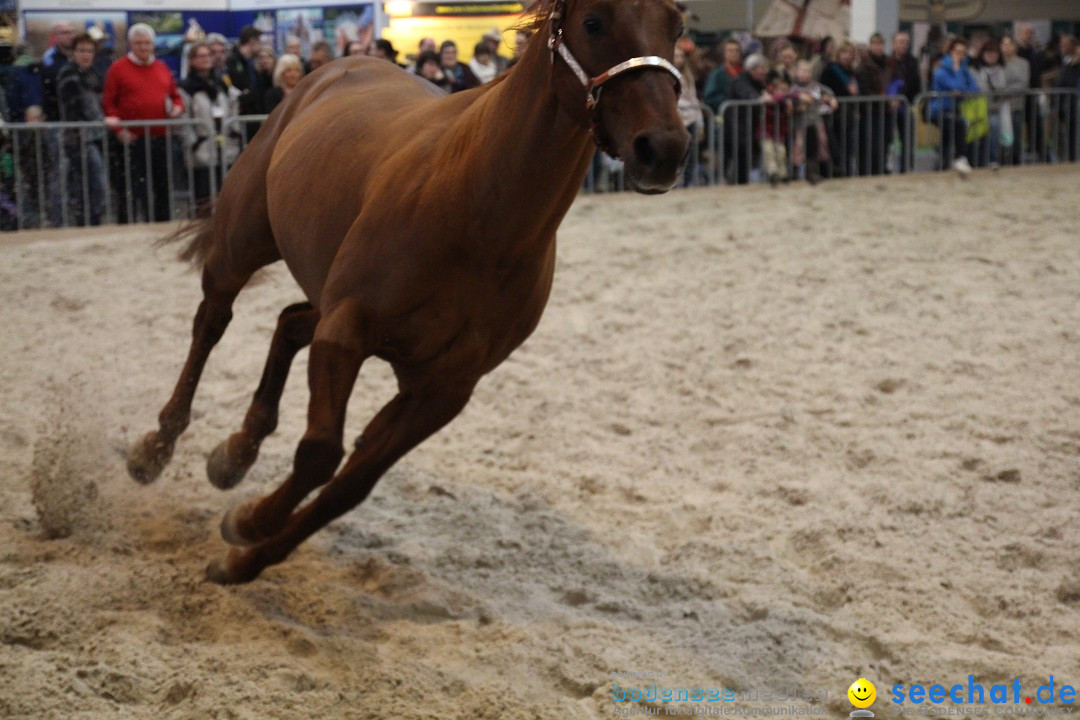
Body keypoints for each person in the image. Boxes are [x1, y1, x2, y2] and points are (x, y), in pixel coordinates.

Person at [103, 23, 185, 223]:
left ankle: (162, 224)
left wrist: (177, 107)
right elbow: (108, 103)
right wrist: (119, 130)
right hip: (131, 140)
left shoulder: (161, 67)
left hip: (161, 137)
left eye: (147, 43)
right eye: (139, 43)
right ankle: (128, 225)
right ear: (130, 44)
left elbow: (176, 96)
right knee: (133, 188)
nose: (143, 47)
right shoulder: (117, 69)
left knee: (163, 186)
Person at [180, 41, 238, 215]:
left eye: (208, 55)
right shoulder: (186, 88)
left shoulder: (221, 83)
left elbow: (234, 103)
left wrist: (234, 131)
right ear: (192, 60)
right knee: (204, 197)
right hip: (201, 150)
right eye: (201, 56)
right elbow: (183, 118)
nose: (206, 59)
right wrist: (192, 143)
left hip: (225, 149)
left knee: (227, 195)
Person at [56, 32, 107, 225]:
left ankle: (89, 222)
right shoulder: (69, 73)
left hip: (92, 136)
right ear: (73, 52)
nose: (86, 55)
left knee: (89, 185)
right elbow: (77, 105)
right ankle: (86, 223)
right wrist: (101, 119)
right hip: (77, 138)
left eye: (90, 51)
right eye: (82, 51)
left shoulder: (91, 74)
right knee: (92, 185)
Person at [929, 37, 979, 173]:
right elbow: (957, 86)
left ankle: (942, 165)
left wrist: (961, 90)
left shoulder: (965, 70)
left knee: (948, 136)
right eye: (957, 52)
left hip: (955, 109)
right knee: (958, 124)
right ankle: (960, 158)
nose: (960, 55)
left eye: (963, 52)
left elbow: (974, 89)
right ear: (951, 52)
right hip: (939, 110)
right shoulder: (941, 70)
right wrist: (957, 71)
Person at [791, 59, 837, 183]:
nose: (806, 74)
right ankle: (795, 173)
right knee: (799, 148)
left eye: (808, 71)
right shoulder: (794, 89)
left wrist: (831, 99)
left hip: (815, 122)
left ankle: (812, 173)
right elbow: (789, 99)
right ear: (797, 72)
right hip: (800, 123)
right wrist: (799, 105)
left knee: (818, 146)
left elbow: (827, 91)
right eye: (803, 71)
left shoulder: (815, 86)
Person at [820, 40, 860, 177]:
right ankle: (835, 173)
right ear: (838, 54)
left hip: (849, 115)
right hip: (834, 116)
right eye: (844, 52)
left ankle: (847, 173)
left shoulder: (852, 72)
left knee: (849, 147)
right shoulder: (830, 70)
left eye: (850, 53)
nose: (847, 56)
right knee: (835, 147)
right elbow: (821, 89)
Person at [728, 52, 769, 184]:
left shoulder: (759, 82)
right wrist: (759, 98)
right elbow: (748, 95)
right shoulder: (740, 80)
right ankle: (738, 182)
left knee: (748, 157)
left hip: (750, 127)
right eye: (761, 68)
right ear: (752, 69)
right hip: (738, 127)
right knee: (740, 157)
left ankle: (743, 181)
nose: (764, 71)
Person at [857, 33, 891, 175]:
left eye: (881, 44)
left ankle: (881, 169)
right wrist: (879, 96)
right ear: (871, 46)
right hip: (870, 111)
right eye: (876, 44)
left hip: (886, 110)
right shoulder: (864, 66)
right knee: (871, 144)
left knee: (885, 143)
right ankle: (868, 172)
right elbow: (864, 89)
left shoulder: (888, 63)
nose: (878, 47)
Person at [970, 39, 1006, 167]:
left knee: (994, 133)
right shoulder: (975, 69)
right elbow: (979, 88)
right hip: (978, 109)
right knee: (978, 137)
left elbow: (1003, 88)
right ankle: (977, 162)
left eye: (994, 53)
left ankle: (993, 159)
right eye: (988, 52)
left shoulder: (1003, 70)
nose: (991, 56)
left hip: (995, 108)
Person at [888, 31, 921, 172]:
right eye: (900, 42)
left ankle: (907, 168)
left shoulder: (913, 62)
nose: (904, 45)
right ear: (894, 44)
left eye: (906, 42)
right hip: (888, 107)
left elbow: (916, 84)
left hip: (906, 106)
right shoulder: (887, 61)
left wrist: (903, 99)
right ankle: (886, 168)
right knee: (887, 139)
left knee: (907, 139)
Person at [673, 43, 704, 186]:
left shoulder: (688, 75)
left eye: (681, 56)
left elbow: (693, 98)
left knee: (690, 155)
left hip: (690, 119)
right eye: (676, 56)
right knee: (676, 154)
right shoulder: (668, 76)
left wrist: (700, 121)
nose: (679, 59)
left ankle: (688, 182)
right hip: (677, 120)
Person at [999, 34, 1030, 165]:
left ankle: (1016, 161)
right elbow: (997, 83)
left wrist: (1005, 90)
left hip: (1016, 105)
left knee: (1016, 137)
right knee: (1001, 138)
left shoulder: (1023, 63)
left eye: (1009, 44)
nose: (1006, 48)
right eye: (1003, 44)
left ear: (1014, 46)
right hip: (1000, 106)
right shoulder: (998, 63)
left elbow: (1023, 83)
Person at [761, 71, 794, 185]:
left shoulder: (787, 100)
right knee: (769, 151)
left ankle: (783, 174)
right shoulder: (768, 96)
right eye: (781, 89)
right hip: (766, 130)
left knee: (781, 152)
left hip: (779, 131)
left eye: (786, 89)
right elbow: (775, 97)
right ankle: (773, 173)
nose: (784, 92)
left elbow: (795, 96)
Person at [1054, 35, 1079, 162]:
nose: (1062, 47)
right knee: (1070, 138)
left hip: (1076, 106)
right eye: (1061, 45)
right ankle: (1072, 160)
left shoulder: (1075, 63)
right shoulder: (1066, 62)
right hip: (1067, 107)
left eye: (1065, 45)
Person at [703, 38, 742, 113]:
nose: (734, 53)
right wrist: (728, 99)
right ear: (724, 53)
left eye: (737, 50)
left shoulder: (744, 72)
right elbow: (709, 98)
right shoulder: (717, 74)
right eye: (730, 51)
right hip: (725, 114)